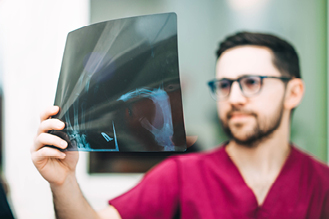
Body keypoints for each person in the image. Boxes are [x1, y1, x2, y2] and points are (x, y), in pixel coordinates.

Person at [31, 32, 329, 219]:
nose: (234, 98)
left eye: (251, 83)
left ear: (294, 92)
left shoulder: (322, 184)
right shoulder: (181, 175)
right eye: (224, 85)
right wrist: (64, 182)